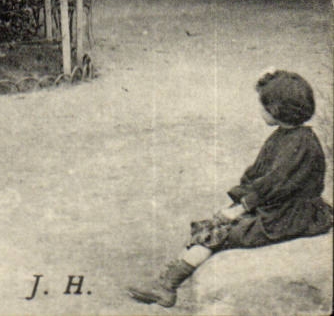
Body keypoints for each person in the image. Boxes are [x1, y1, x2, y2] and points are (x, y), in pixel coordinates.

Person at [126, 69, 333, 307]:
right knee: (214, 225)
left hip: (289, 216)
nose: (261, 111)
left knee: (218, 234)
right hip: (278, 207)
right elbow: (257, 174)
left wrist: (241, 207)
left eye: (264, 106)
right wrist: (239, 200)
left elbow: (274, 184)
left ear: (277, 110)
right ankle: (166, 283)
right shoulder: (285, 136)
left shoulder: (300, 144)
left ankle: (167, 287)